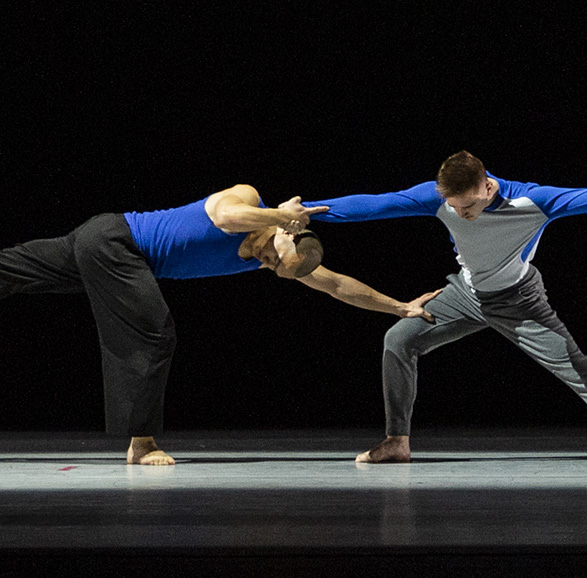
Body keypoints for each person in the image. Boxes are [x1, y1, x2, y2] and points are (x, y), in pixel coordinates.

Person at [0, 185, 437, 465]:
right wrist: (280, 216)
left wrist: (399, 307)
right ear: (286, 236)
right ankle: (142, 443)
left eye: (276, 270)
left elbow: (337, 285)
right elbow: (225, 218)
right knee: (154, 334)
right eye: (273, 259)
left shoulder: (278, 253)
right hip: (116, 241)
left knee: (16, 270)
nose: (267, 266)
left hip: (106, 248)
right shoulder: (248, 201)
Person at [305, 151, 587, 467]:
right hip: (466, 293)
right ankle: (397, 441)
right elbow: (376, 205)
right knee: (399, 339)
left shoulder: (532, 201)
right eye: (454, 207)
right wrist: (300, 212)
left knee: (575, 367)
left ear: (488, 187)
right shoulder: (438, 199)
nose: (461, 213)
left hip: (520, 301)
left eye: (468, 206)